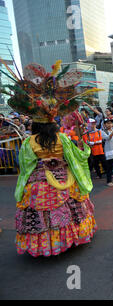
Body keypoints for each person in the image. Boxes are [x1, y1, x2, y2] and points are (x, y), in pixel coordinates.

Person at [3, 59, 97, 257]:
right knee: (71, 207)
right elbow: (76, 156)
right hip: (64, 179)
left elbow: (25, 164)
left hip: (38, 183)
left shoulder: (30, 142)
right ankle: (71, 238)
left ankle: (46, 244)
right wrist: (84, 149)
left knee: (39, 212)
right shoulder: (61, 137)